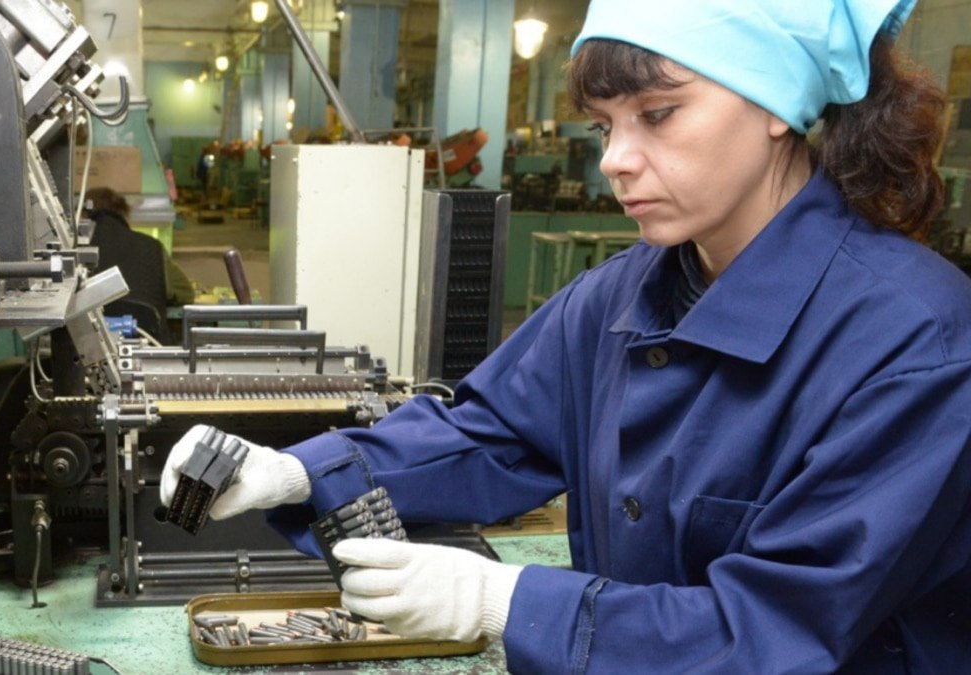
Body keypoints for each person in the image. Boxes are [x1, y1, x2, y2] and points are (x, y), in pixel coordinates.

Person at [160, 1, 971, 671]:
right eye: (603, 126)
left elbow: (777, 630)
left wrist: (504, 601)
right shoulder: (623, 293)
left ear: (773, 108)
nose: (617, 159)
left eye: (658, 115)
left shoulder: (915, 342)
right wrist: (298, 473)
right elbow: (491, 433)